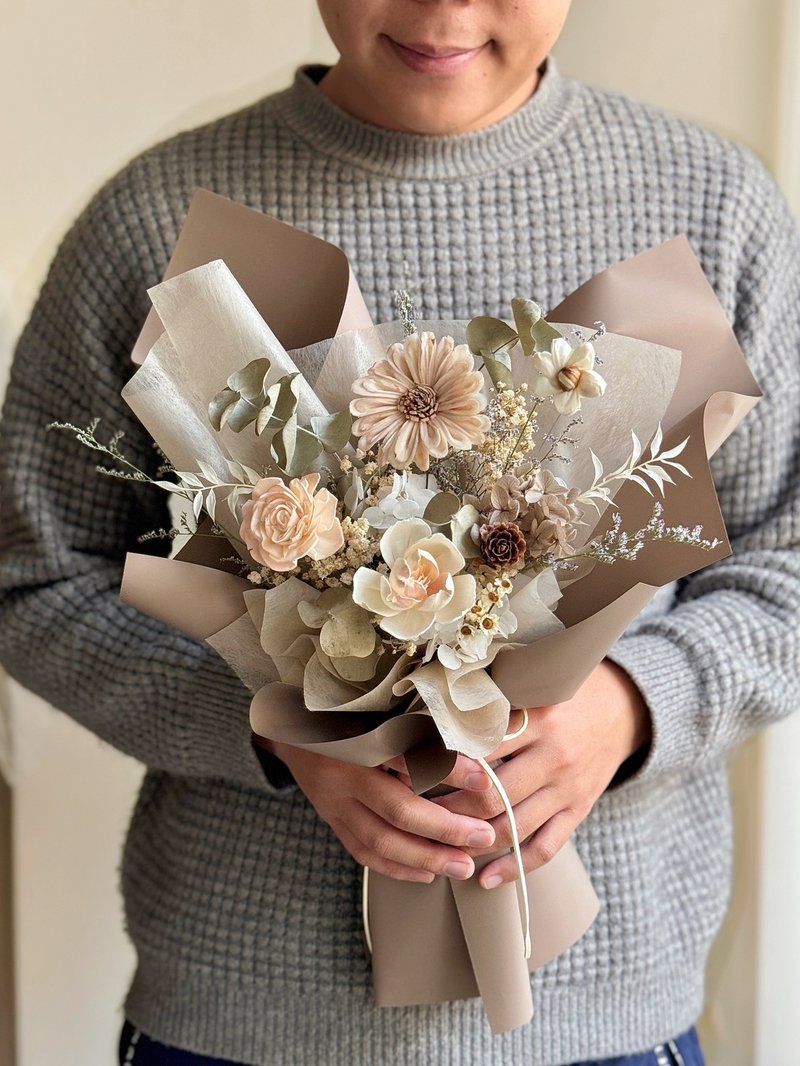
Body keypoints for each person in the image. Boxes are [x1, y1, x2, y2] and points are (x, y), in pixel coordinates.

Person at [1, 1, 798, 1064]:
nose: (442, 9)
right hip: (243, 1025)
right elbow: (31, 577)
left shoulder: (709, 208)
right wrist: (272, 726)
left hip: (603, 1022)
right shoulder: (161, 225)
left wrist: (631, 704)